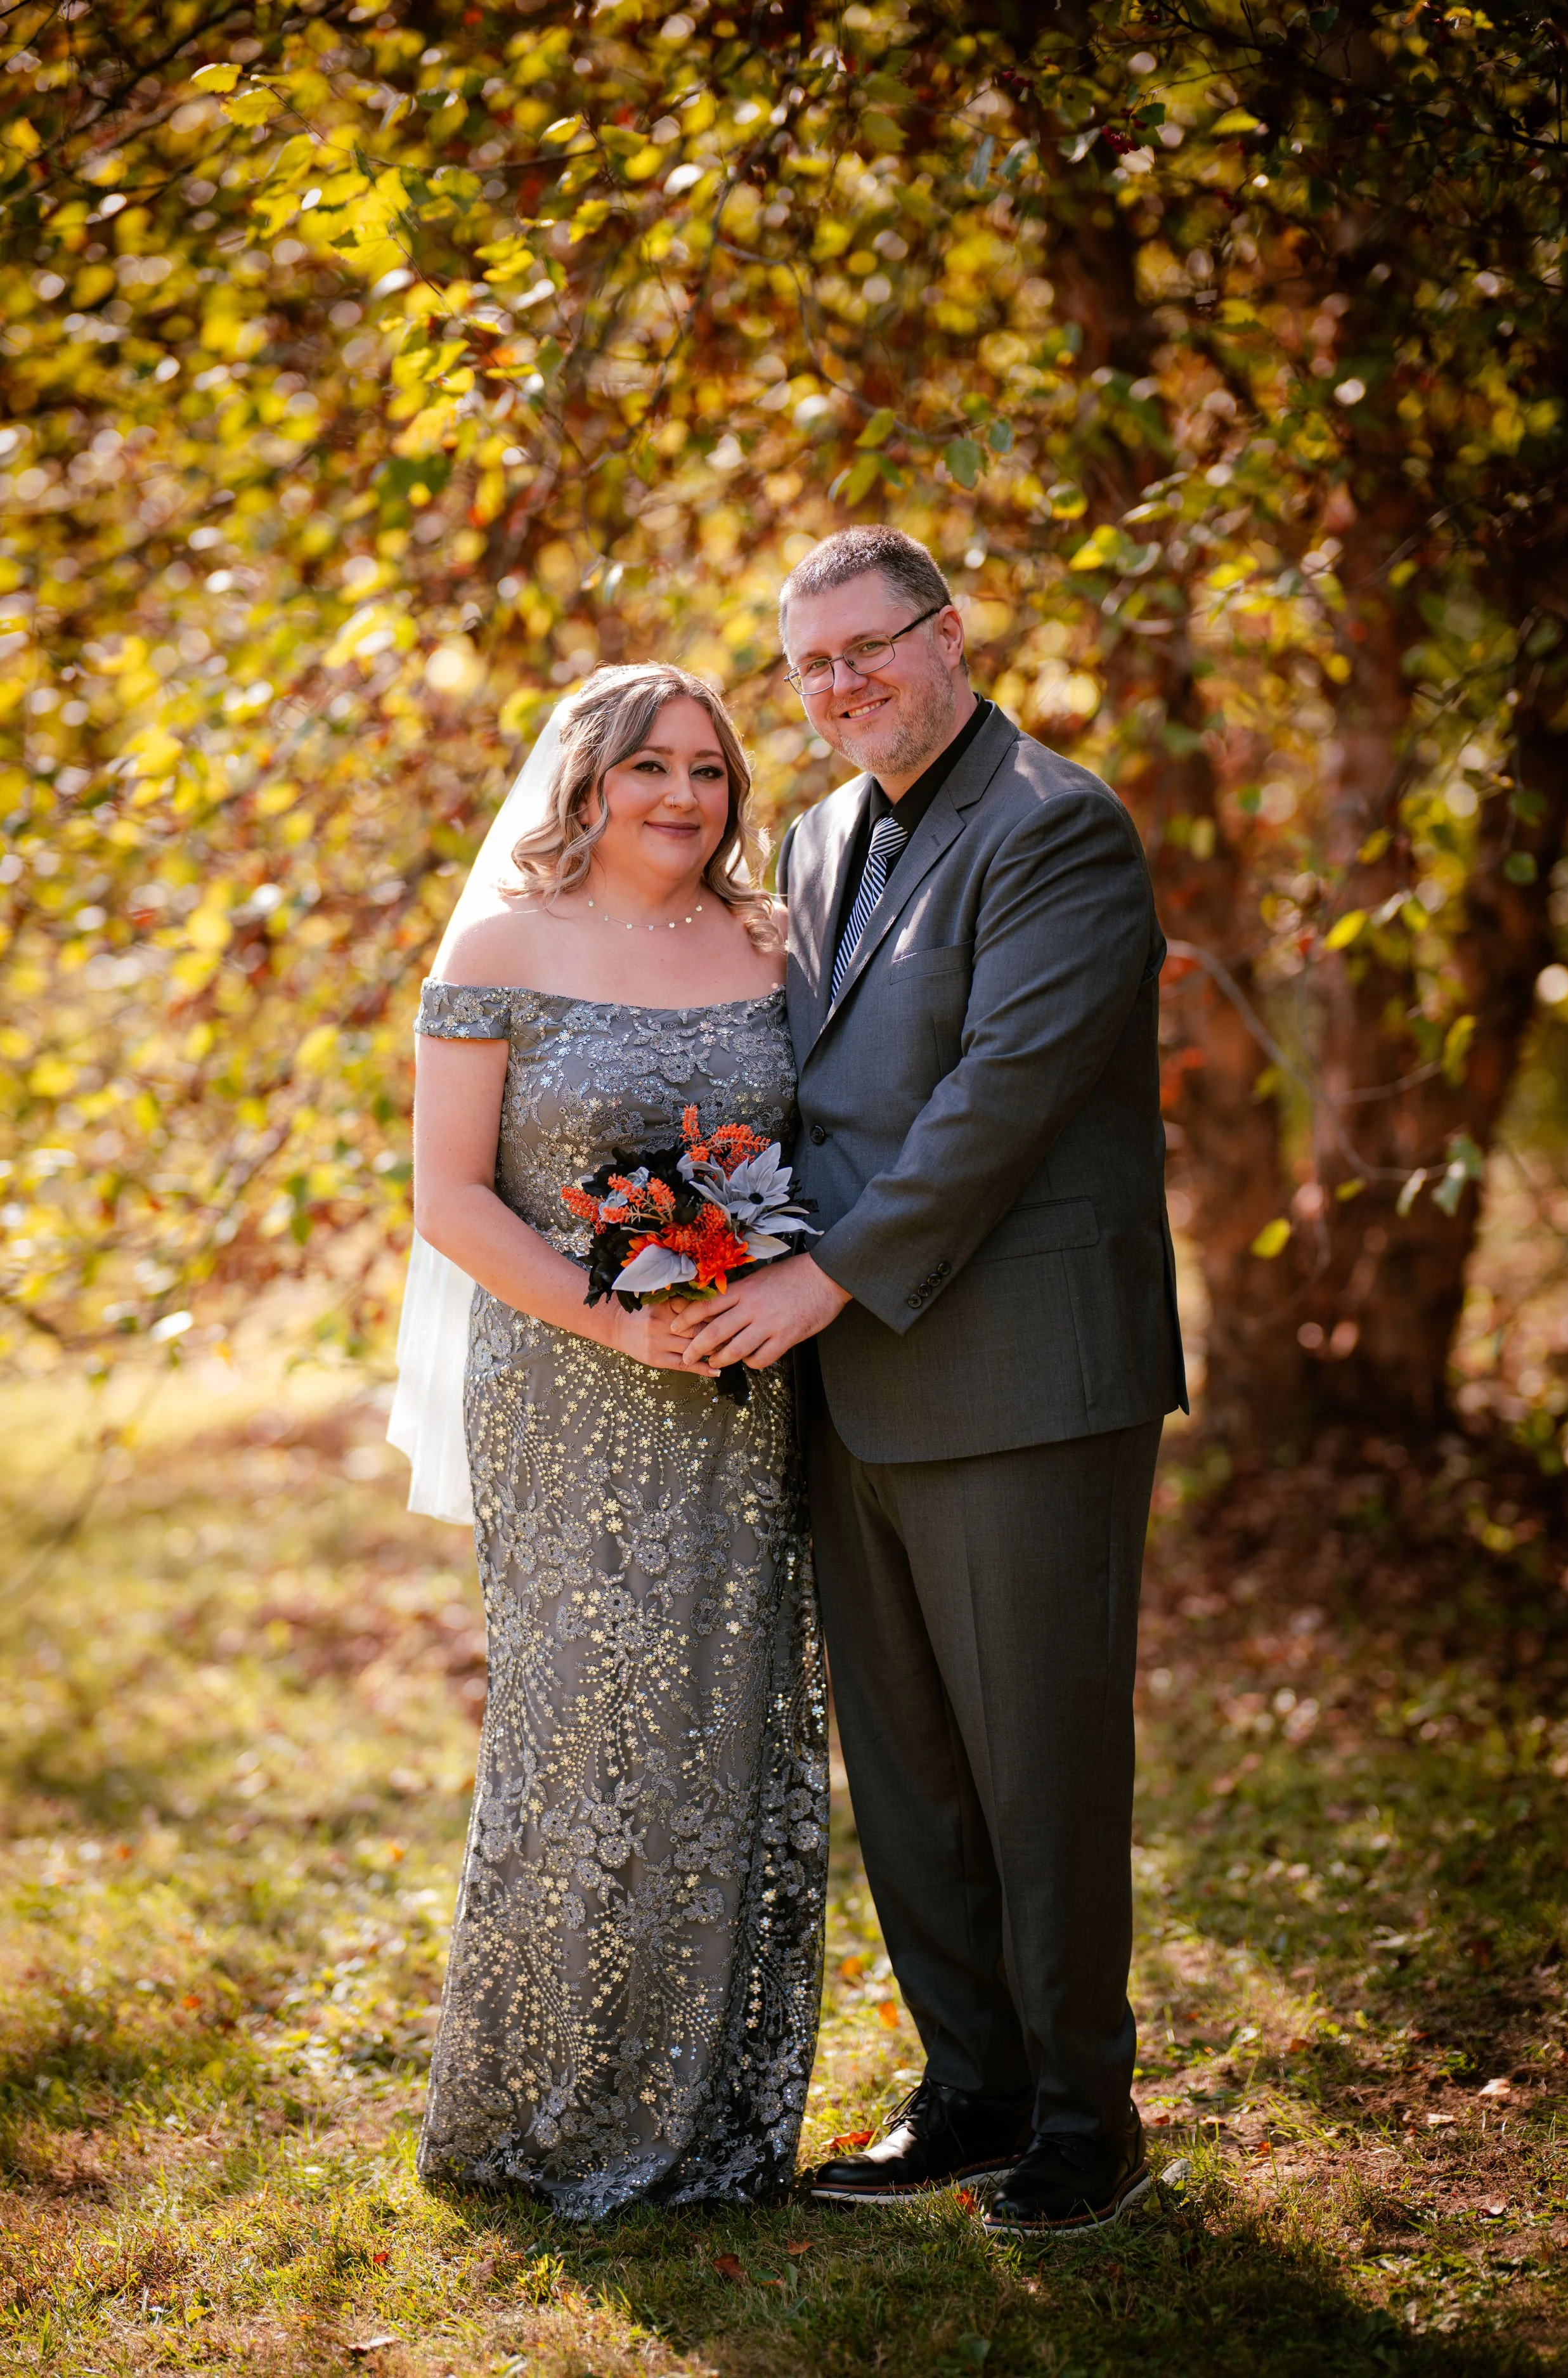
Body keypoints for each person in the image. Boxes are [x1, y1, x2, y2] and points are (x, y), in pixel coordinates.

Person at [680, 527, 1188, 2238]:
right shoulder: (817, 835)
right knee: (904, 1759)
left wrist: (817, 1272)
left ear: (948, 633)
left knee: (1038, 1755)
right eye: (809, 665)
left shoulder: (1056, 826)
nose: (838, 688)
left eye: (866, 649)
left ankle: (1081, 2109)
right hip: (850, 1377)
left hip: (1028, 1370)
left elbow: (1000, 1097)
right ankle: (967, 2084)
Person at [392, 664, 826, 2218]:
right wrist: (613, 1313)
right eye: (647, 767)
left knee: (732, 1732)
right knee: (579, 1735)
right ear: (582, 781)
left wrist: (757, 1290)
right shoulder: (504, 942)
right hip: (569, 1389)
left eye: (708, 770)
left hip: (745, 1389)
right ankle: (542, 2107)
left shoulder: (770, 939)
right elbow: (448, 1198)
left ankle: (714, 2116)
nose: (681, 797)